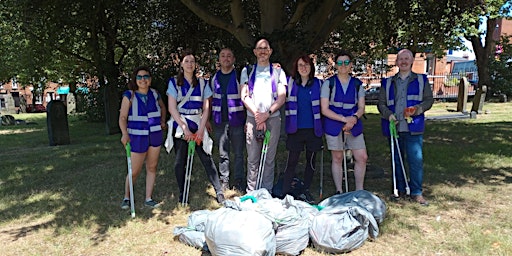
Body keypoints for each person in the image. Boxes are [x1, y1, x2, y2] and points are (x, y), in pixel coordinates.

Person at [164, 50, 225, 204]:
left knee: (206, 158)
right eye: (186, 61)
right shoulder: (173, 82)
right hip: (180, 123)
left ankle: (219, 191)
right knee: (179, 161)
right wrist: (185, 129)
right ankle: (183, 193)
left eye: (192, 61)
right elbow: (172, 108)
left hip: (198, 122)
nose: (190, 64)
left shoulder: (203, 83)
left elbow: (206, 108)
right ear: (181, 64)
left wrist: (199, 130)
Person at [378, 48, 433, 206]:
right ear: (396, 62)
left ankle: (416, 192)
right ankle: (400, 190)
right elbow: (381, 103)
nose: (403, 61)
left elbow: (428, 100)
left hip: (413, 127)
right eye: (400, 59)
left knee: (415, 160)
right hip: (394, 127)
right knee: (396, 159)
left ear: (412, 61)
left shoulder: (422, 80)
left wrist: (417, 110)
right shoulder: (387, 82)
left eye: (406, 58)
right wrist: (388, 114)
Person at [240, 37, 287, 192]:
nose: (262, 51)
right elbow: (244, 96)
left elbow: (281, 96)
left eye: (265, 48)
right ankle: (252, 192)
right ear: (255, 51)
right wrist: (257, 115)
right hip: (252, 119)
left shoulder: (278, 71)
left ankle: (266, 192)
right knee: (253, 158)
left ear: (270, 51)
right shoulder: (247, 71)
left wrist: (267, 114)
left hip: (272, 119)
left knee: (269, 158)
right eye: (259, 48)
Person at [119, 66, 167, 209]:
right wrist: (124, 133)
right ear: (135, 79)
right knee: (134, 170)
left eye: (146, 76)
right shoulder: (129, 95)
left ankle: (148, 198)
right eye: (139, 77)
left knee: (152, 167)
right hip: (137, 137)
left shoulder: (154, 93)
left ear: (150, 79)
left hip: (154, 135)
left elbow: (163, 108)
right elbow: (122, 117)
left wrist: (163, 121)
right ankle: (127, 197)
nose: (143, 80)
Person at [320, 50, 368, 194]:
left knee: (362, 157)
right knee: (338, 157)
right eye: (340, 63)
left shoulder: (357, 84)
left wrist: (353, 119)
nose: (343, 65)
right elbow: (324, 109)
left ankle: (359, 190)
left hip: (353, 122)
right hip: (334, 122)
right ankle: (340, 190)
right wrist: (343, 120)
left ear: (351, 65)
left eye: (346, 62)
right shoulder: (328, 83)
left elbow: (361, 107)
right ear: (335, 65)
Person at [281, 55, 323, 204]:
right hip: (295, 129)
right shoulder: (290, 82)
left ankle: (305, 189)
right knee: (292, 161)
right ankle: (285, 192)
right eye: (300, 65)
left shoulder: (319, 84)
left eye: (306, 65)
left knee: (310, 161)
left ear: (311, 67)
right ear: (296, 68)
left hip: (313, 129)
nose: (303, 68)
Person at [210, 48, 246, 192]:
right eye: (223, 56)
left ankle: (238, 180)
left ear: (233, 59)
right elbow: (210, 99)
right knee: (223, 153)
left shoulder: (239, 76)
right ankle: (224, 179)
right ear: (219, 59)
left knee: (238, 153)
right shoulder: (214, 78)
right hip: (220, 121)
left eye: (229, 56)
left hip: (237, 120)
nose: (226, 58)